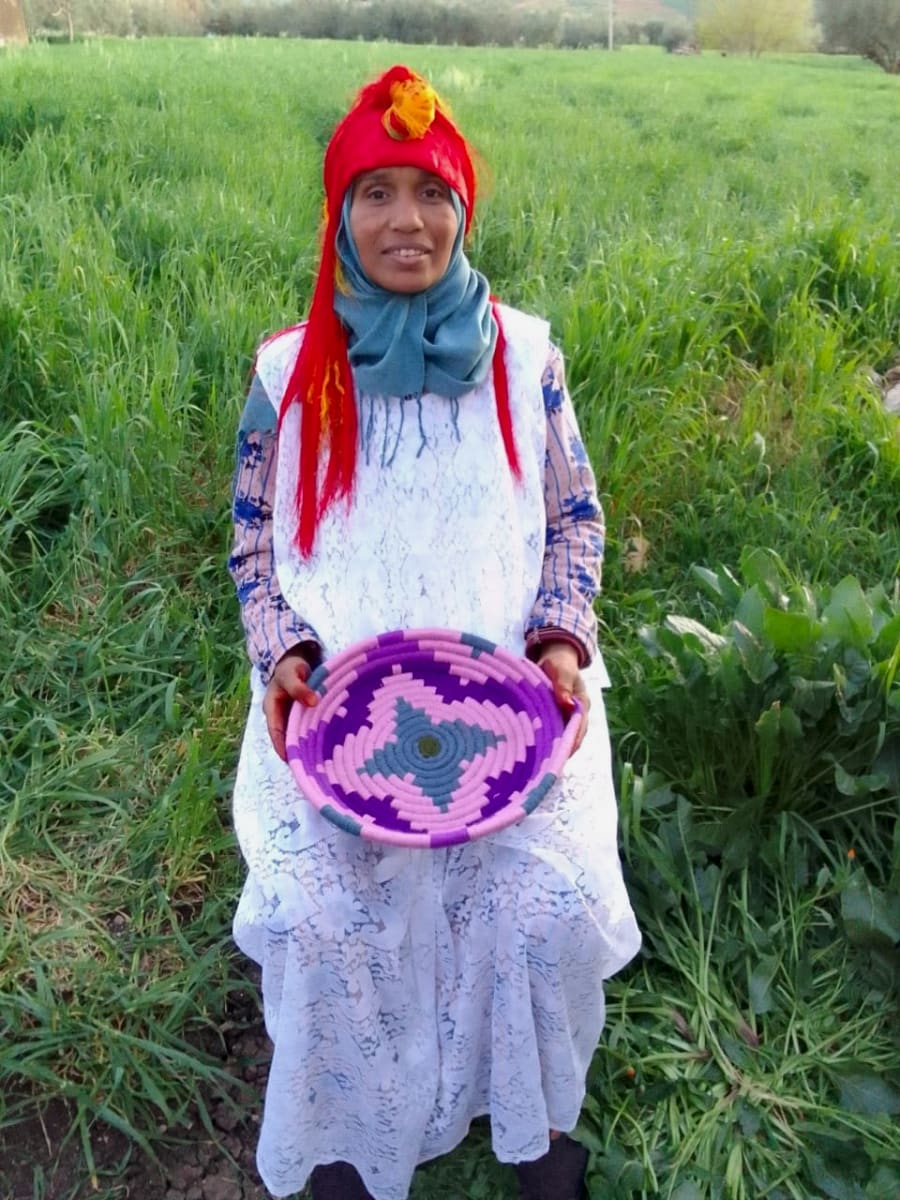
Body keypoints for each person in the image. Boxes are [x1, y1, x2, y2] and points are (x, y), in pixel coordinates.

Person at [228, 64, 641, 1200]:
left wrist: (559, 644)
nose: (405, 221)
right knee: (320, 918)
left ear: (465, 210)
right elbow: (255, 544)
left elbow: (574, 517)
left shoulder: (525, 356)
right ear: (339, 215)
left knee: (534, 905)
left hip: (511, 716)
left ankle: (534, 1124)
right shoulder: (286, 370)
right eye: (375, 194)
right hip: (340, 725)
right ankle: (348, 1143)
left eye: (432, 194)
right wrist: (288, 657)